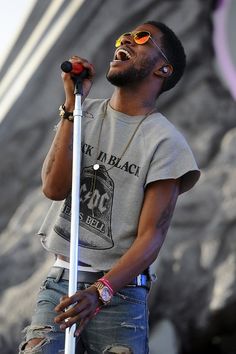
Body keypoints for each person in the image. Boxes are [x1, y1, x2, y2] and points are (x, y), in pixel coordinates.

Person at [19, 20, 200, 354]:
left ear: (163, 68)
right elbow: (53, 189)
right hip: (62, 280)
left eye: (141, 38)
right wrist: (73, 104)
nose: (127, 40)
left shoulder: (167, 143)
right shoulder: (82, 113)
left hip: (120, 294)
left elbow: (152, 237)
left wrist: (100, 291)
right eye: (124, 36)